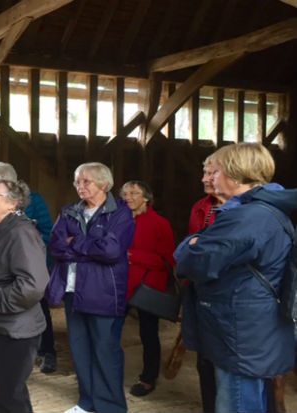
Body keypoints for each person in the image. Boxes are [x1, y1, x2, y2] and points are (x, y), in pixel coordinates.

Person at [174, 143, 297, 413]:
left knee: (238, 403)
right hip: (250, 326)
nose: (209, 178)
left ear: (234, 173)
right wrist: (195, 243)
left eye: (215, 171)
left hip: (240, 331)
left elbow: (193, 263)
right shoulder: (262, 210)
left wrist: (190, 244)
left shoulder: (247, 217)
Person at [47, 162, 134, 413]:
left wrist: (75, 244)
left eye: (86, 181)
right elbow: (55, 246)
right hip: (74, 292)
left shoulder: (120, 213)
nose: (79, 186)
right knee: (81, 351)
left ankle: (111, 407)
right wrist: (89, 247)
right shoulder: (69, 211)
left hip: (104, 293)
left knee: (105, 352)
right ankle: (87, 403)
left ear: (104, 184)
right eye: (77, 181)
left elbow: (111, 251)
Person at [0, 179, 49, 413]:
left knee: (8, 396)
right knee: (9, 393)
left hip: (18, 330)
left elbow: (34, 285)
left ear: (13, 204)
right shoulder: (2, 230)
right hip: (6, 325)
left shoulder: (21, 232)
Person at [0, 161, 57, 374]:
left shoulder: (34, 200)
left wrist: (31, 246)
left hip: (29, 264)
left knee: (39, 308)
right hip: (3, 269)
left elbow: (48, 231)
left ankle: (48, 352)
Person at [121, 180, 175, 397]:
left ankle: (148, 378)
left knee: (148, 333)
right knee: (110, 329)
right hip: (121, 284)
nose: (128, 197)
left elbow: (167, 260)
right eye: (125, 193)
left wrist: (133, 256)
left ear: (146, 197)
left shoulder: (160, 223)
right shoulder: (119, 220)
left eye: (134, 193)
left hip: (147, 286)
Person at [182, 154, 227, 413]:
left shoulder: (248, 211)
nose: (204, 179)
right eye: (204, 172)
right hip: (200, 292)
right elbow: (190, 249)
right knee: (205, 362)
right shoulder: (200, 206)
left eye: (211, 173)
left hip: (229, 297)